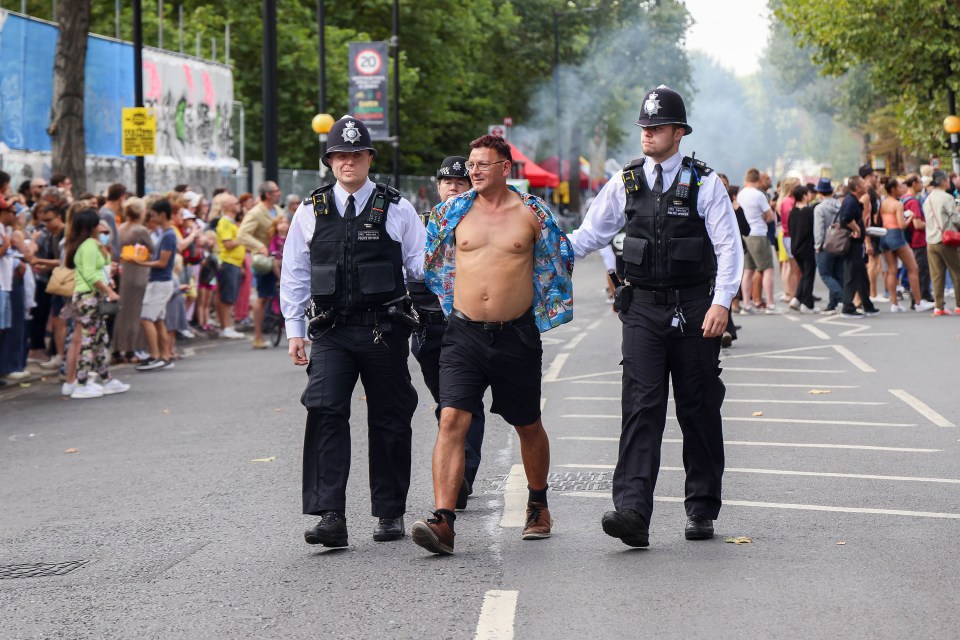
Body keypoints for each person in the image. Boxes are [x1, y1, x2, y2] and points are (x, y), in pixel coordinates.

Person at [567, 85, 743, 547]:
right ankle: (632, 512)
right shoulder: (624, 182)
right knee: (641, 408)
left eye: (657, 127)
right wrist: (542, 250)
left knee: (699, 407)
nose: (647, 134)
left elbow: (728, 247)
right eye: (644, 127)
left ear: (679, 132)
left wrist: (722, 301)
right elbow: (588, 235)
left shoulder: (704, 183)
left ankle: (702, 508)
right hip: (642, 307)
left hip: (694, 307)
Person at [412, 134, 572, 555]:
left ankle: (537, 503)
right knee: (451, 420)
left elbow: (560, 260)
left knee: (527, 424)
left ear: (505, 168)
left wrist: (542, 307)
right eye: (471, 164)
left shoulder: (532, 213)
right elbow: (433, 263)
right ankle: (443, 521)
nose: (474, 171)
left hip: (516, 335)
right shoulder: (451, 213)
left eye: (484, 164)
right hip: (463, 333)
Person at [281, 115, 425, 548]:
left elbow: (420, 264)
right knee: (324, 410)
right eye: (340, 156)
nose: (348, 162)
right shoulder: (310, 210)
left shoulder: (397, 207)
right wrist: (293, 330)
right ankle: (330, 515)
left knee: (390, 419)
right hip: (331, 331)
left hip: (384, 328)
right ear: (329, 161)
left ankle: (389, 511)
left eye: (356, 155)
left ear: (368, 158)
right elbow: (295, 273)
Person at [408, 156, 486, 510]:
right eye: (447, 182)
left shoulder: (483, 224)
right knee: (447, 401)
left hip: (471, 326)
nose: (453, 187)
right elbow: (412, 274)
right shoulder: (423, 225)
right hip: (431, 328)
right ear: (437, 186)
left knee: (465, 401)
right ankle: (457, 467)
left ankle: (463, 474)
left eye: (460, 182)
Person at [63, 209, 130, 398]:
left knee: (99, 339)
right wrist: (109, 291)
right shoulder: (90, 245)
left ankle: (106, 378)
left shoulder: (84, 245)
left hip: (88, 296)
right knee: (90, 340)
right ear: (92, 226)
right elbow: (92, 275)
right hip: (90, 296)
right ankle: (82, 382)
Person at [878, 177, 934, 313]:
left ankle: (894, 303)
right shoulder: (898, 204)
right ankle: (918, 302)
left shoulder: (884, 203)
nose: (901, 189)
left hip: (884, 236)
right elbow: (902, 225)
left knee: (892, 270)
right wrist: (909, 217)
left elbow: (877, 219)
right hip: (896, 235)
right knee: (913, 268)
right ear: (893, 189)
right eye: (899, 187)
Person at [134, 199, 177, 370]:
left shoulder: (168, 235)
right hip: (159, 281)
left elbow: (162, 263)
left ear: (163, 215)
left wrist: (140, 263)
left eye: (154, 214)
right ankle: (164, 356)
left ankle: (155, 355)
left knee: (146, 318)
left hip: (160, 282)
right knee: (158, 320)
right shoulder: (165, 234)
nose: (151, 217)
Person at [239, 181, 282, 348]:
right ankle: (257, 336)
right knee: (263, 297)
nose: (279, 193)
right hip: (264, 261)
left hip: (279, 258)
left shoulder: (277, 210)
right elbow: (242, 234)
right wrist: (259, 246)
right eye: (276, 191)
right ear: (268, 194)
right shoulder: (255, 213)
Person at [114, 197, 154, 361]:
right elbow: (153, 249)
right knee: (136, 312)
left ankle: (118, 348)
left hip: (125, 273)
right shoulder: (140, 230)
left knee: (122, 312)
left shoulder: (121, 227)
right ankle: (132, 348)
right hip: (139, 272)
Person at [838, 176, 880, 319]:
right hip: (852, 243)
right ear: (857, 188)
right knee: (852, 275)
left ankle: (867, 305)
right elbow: (846, 218)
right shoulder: (850, 201)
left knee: (861, 275)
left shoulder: (854, 200)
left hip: (857, 243)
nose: (866, 185)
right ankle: (847, 307)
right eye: (862, 184)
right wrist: (856, 228)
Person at [738, 168, 777, 313]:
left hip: (745, 234)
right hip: (759, 233)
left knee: (748, 270)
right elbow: (770, 217)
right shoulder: (758, 195)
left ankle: (747, 304)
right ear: (758, 179)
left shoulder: (741, 194)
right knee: (768, 269)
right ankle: (771, 304)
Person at [921, 170, 960, 315]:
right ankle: (959, 304)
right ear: (943, 181)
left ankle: (939, 306)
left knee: (936, 275)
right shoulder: (947, 198)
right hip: (946, 240)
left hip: (931, 240)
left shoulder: (927, 199)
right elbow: (955, 219)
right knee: (957, 272)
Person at [214, 192, 247, 339]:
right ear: (228, 206)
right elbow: (228, 244)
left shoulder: (232, 222)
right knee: (227, 297)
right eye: (236, 203)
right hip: (229, 262)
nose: (239, 206)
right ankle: (226, 326)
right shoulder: (225, 222)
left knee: (229, 296)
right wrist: (242, 238)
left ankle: (228, 325)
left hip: (234, 263)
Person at [812, 179, 844, 315]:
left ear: (819, 192)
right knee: (837, 274)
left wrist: (817, 245)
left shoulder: (819, 208)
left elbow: (818, 229)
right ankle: (832, 304)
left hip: (825, 244)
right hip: (839, 243)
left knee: (825, 274)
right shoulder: (840, 206)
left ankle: (843, 297)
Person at [902, 174, 934, 305]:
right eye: (920, 182)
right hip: (919, 240)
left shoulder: (904, 199)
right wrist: (931, 223)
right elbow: (918, 224)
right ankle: (921, 297)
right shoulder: (914, 201)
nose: (922, 185)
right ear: (914, 183)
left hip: (910, 240)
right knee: (922, 270)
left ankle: (919, 297)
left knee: (915, 269)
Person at [787, 185, 817, 312]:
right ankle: (807, 303)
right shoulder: (809, 211)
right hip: (807, 247)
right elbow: (814, 229)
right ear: (805, 195)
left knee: (804, 273)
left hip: (795, 247)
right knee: (809, 273)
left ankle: (797, 298)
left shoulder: (792, 212)